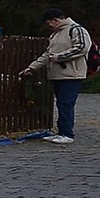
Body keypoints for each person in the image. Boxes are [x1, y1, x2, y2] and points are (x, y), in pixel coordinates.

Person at [23, 8, 92, 143]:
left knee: (66, 103)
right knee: (61, 103)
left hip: (72, 74)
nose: (48, 26)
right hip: (58, 74)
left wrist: (60, 57)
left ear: (56, 20)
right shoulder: (55, 34)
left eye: (49, 23)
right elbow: (47, 55)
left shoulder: (76, 29)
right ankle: (62, 132)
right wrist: (32, 67)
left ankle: (67, 134)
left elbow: (82, 47)